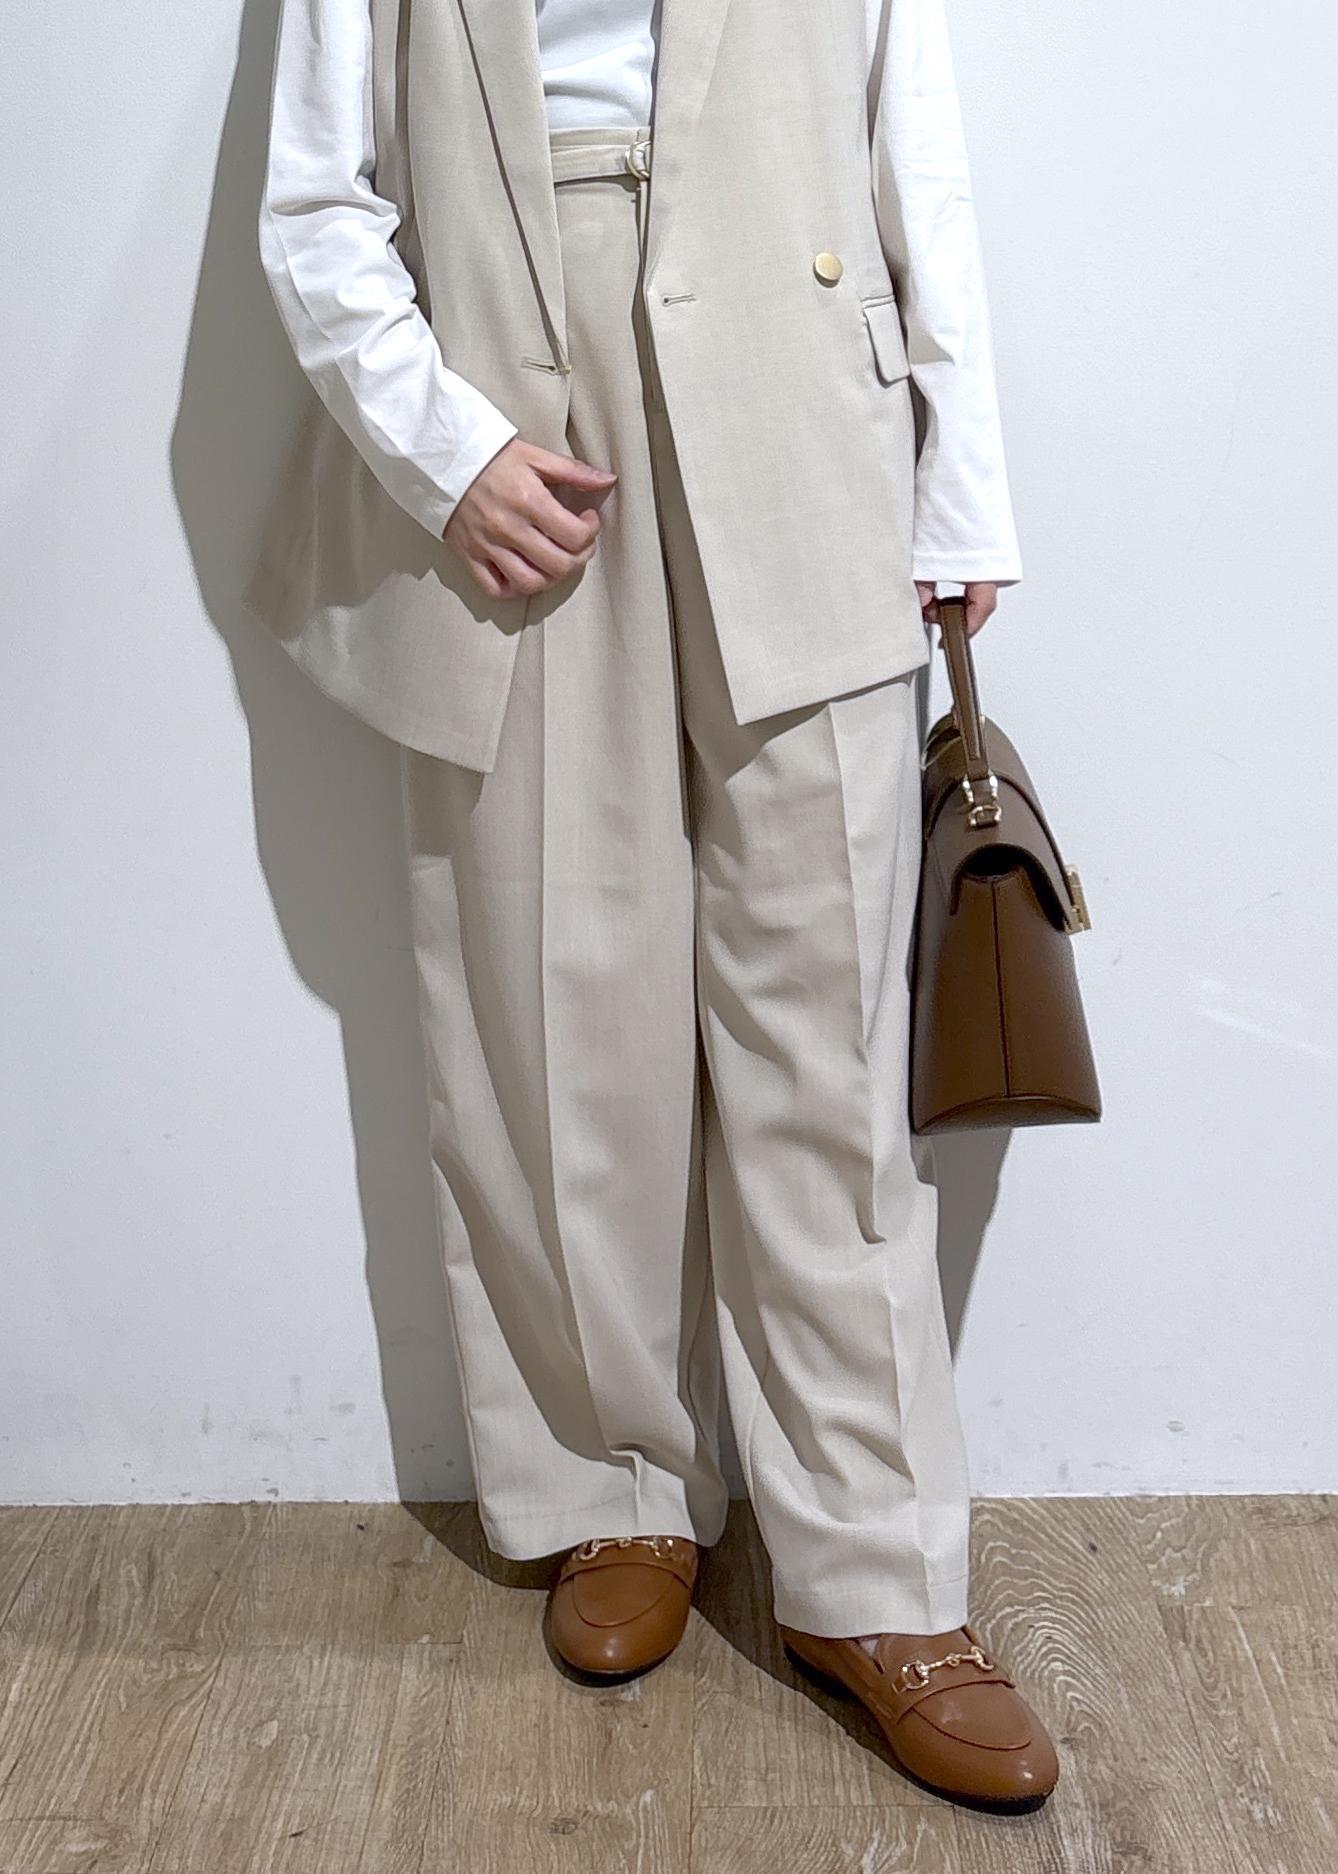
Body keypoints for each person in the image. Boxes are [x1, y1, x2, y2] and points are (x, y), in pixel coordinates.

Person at [250, 0, 1060, 1808]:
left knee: (819, 1031)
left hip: (801, 400)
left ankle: (875, 1570)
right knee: (559, 1011)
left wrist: (963, 481)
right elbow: (314, 195)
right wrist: (440, 450)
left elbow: (908, 126)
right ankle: (612, 1484)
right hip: (510, 438)